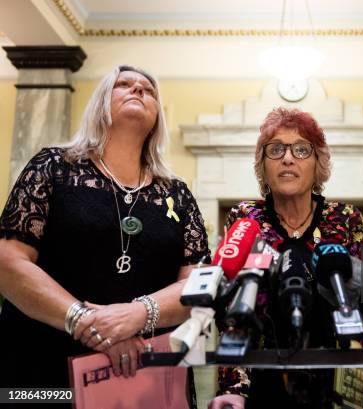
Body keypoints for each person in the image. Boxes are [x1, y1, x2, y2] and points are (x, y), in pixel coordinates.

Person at [0, 65, 211, 396]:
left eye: (148, 89)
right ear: (100, 104)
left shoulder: (177, 194)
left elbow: (198, 285)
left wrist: (138, 313)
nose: (138, 90)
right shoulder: (53, 167)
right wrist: (86, 321)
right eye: (124, 84)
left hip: (146, 379)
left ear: (157, 116)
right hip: (46, 369)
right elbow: (9, 262)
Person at [208, 107, 363, 409]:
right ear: (263, 165)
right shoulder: (246, 217)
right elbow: (235, 313)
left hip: (335, 377)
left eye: (301, 149)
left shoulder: (345, 219)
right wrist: (234, 389)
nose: (288, 158)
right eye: (276, 149)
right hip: (262, 376)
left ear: (318, 163)